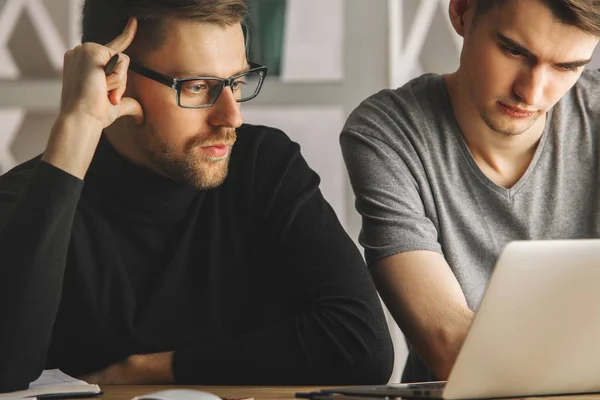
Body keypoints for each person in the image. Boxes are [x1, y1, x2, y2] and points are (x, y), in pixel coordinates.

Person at [0, 0, 394, 392]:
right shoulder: (30, 198)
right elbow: (6, 369)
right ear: (113, 78)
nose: (231, 116)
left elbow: (362, 348)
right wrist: (78, 124)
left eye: (236, 83)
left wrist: (148, 369)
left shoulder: (263, 166)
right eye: (197, 86)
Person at [341, 0, 600, 383]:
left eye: (566, 67)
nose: (532, 92)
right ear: (462, 12)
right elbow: (450, 345)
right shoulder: (388, 133)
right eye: (514, 50)